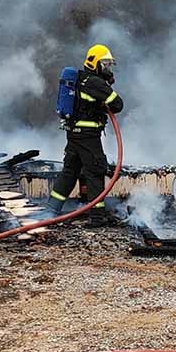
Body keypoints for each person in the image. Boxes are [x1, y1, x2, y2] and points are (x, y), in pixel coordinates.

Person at [48, 44, 124, 227]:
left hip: (74, 134)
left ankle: (50, 211)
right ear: (95, 63)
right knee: (95, 170)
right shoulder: (95, 83)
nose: (108, 68)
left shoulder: (81, 79)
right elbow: (118, 105)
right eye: (105, 64)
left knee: (70, 172)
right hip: (88, 136)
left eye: (109, 64)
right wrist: (107, 86)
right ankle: (97, 217)